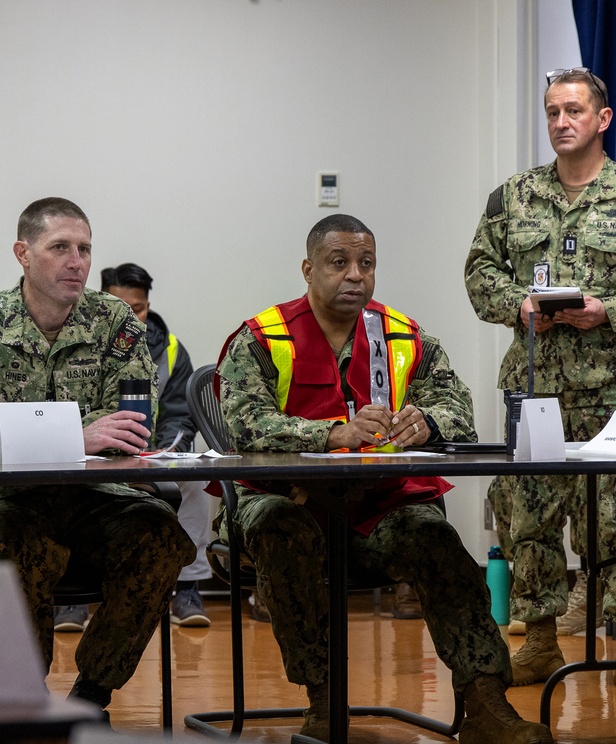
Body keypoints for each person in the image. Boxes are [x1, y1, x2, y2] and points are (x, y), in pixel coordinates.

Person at [218, 214, 552, 743]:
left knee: (433, 539)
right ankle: (324, 700)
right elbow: (241, 420)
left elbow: (458, 406)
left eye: (366, 264)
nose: (355, 275)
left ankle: (486, 703)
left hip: (376, 508)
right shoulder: (263, 338)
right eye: (339, 262)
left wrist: (429, 422)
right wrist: (331, 433)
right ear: (308, 269)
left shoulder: (402, 335)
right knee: (282, 529)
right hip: (285, 503)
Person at [0, 197, 194, 717]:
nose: (77, 261)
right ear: (23, 254)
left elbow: (133, 423)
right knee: (18, 540)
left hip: (93, 496)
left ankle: (92, 696)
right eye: (60, 248)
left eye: (85, 249)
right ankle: (20, 703)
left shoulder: (116, 322)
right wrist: (80, 433)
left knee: (159, 535)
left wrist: (5, 418)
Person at [465, 67, 616, 683]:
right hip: (536, 385)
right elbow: (480, 271)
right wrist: (519, 305)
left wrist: (609, 310)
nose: (561, 123)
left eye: (574, 111)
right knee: (525, 513)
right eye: (552, 112)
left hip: (610, 387)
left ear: (602, 119)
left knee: (612, 519)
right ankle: (542, 641)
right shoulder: (514, 197)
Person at [99, 262, 212, 627]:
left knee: (194, 476)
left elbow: (180, 414)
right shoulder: (81, 344)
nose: (134, 317)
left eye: (140, 308)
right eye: (123, 308)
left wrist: (162, 453)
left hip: (153, 454)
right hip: (95, 458)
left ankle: (188, 587)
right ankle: (71, 603)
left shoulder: (173, 350)